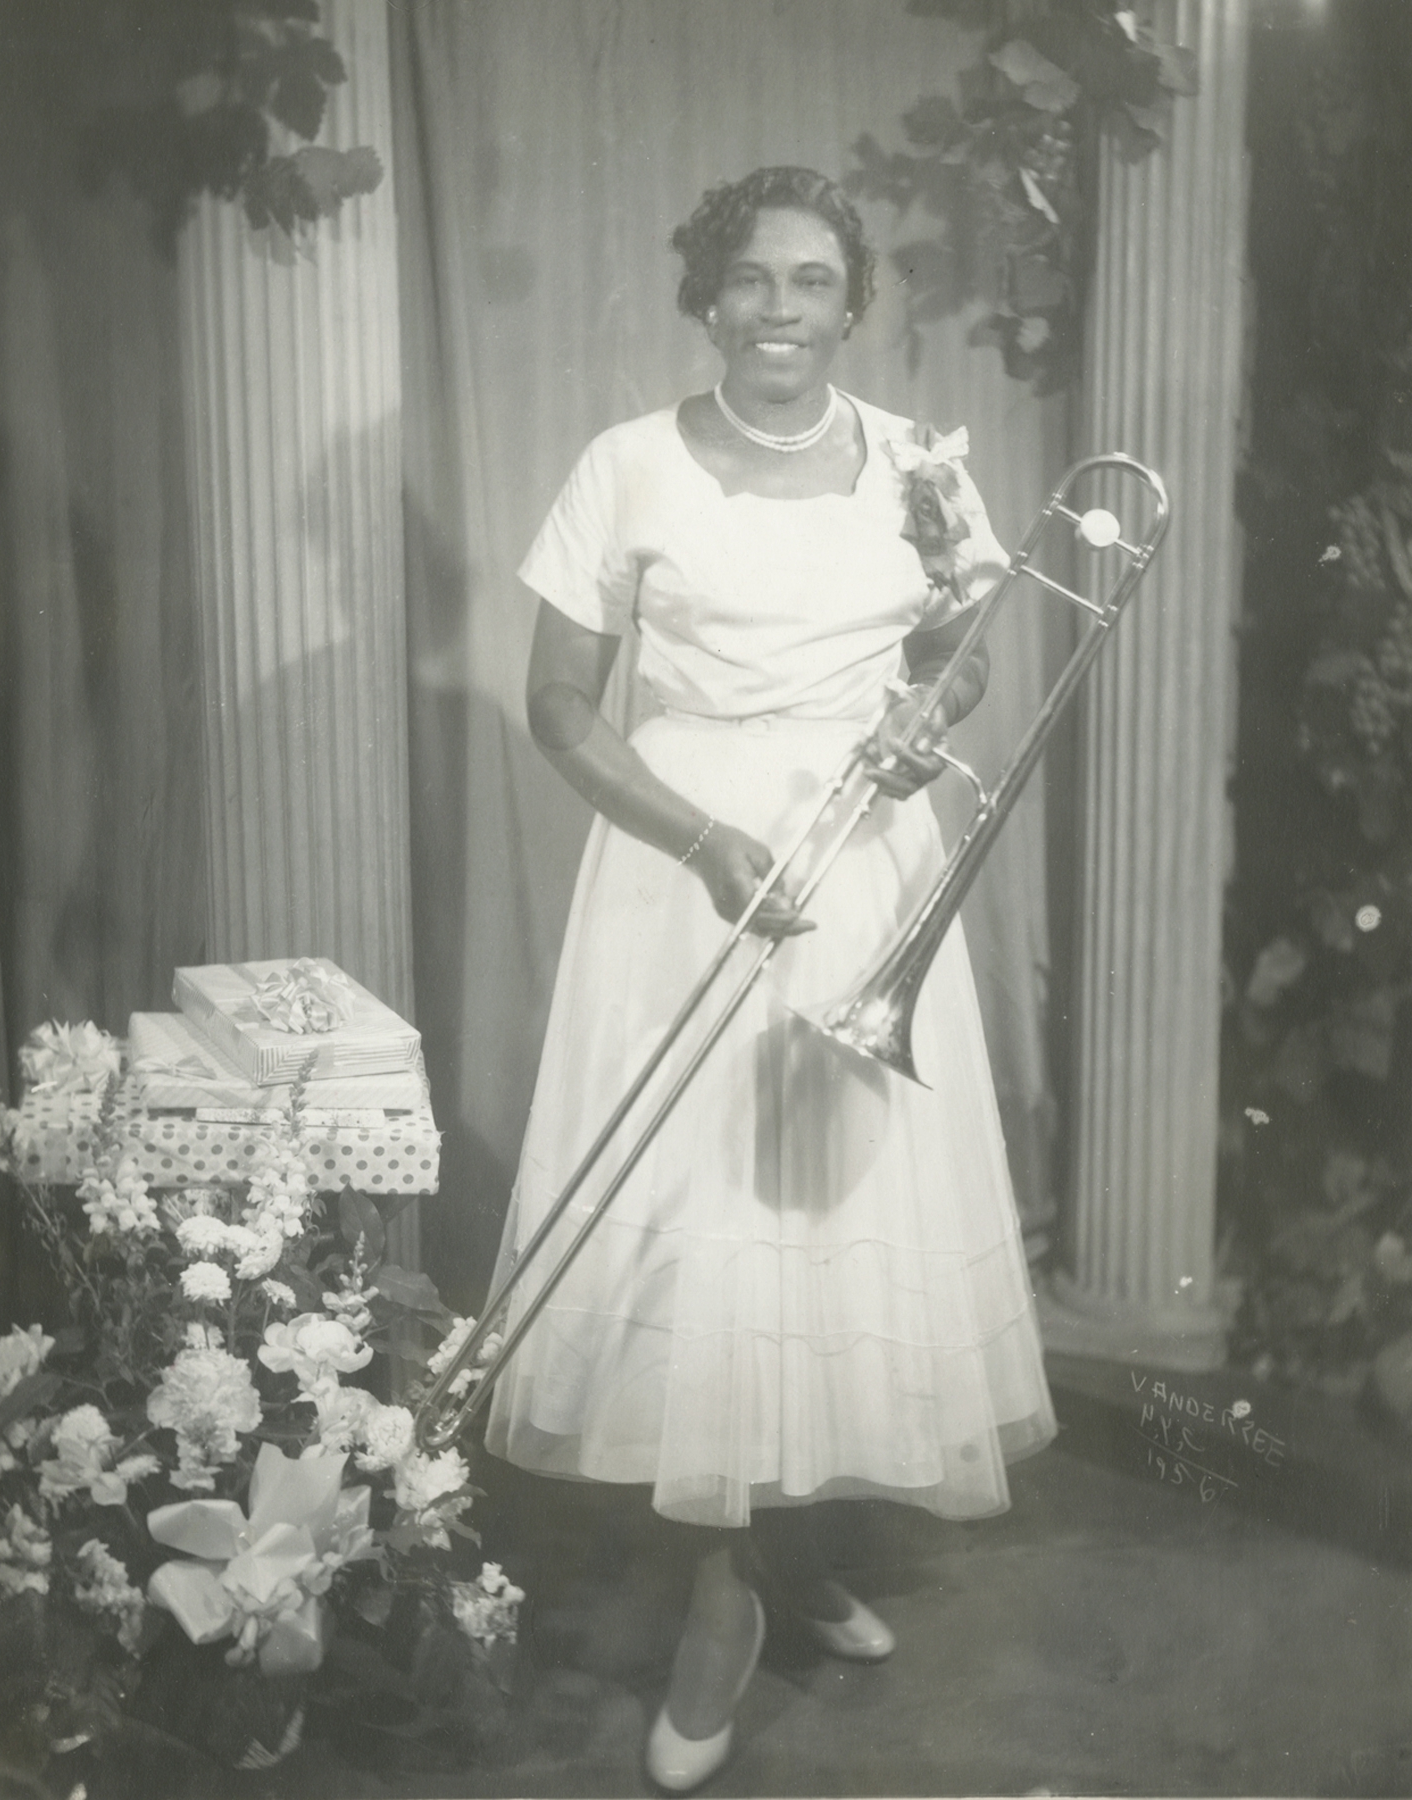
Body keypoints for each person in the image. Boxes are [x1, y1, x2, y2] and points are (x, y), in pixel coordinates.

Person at [484, 165, 1057, 1791]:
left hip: (866, 859)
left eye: (813, 283)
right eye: (752, 282)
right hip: (694, 873)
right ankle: (729, 1597)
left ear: (850, 303)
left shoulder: (920, 468)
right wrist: (704, 842)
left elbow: (970, 639)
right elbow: (563, 707)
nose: (783, 312)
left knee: (829, 1211)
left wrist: (924, 727)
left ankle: (788, 1557)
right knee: (718, 1222)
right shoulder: (627, 468)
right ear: (706, 295)